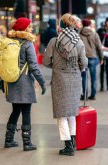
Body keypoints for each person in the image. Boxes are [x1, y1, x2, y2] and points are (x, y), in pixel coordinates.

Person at [43, 13, 88, 156]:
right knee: (71, 113)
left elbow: (45, 61)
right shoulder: (78, 41)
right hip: (75, 79)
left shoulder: (54, 41)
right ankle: (73, 143)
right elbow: (84, 62)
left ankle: (67, 146)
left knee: (61, 114)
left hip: (60, 80)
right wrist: (76, 68)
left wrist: (56, 66)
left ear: (61, 26)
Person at [3, 17, 46, 151]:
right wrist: (42, 82)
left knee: (15, 110)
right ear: (24, 28)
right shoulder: (27, 44)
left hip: (12, 80)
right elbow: (33, 66)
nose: (32, 28)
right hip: (25, 81)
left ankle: (8, 140)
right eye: (29, 26)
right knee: (26, 111)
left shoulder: (10, 41)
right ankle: (27, 143)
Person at [79, 19, 103, 100]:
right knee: (93, 77)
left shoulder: (79, 34)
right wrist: (101, 58)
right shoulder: (95, 34)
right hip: (93, 57)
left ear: (82, 24)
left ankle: (85, 95)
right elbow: (99, 47)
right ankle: (93, 95)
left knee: (84, 77)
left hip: (83, 58)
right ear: (90, 24)